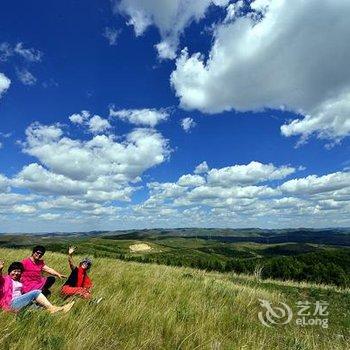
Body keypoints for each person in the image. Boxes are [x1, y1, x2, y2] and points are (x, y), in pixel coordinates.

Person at [0, 259, 74, 313]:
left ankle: (61, 309)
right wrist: (0, 269)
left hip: (20, 302)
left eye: (18, 271)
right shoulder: (5, 279)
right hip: (11, 303)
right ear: (10, 271)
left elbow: (26, 291)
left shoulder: (20, 282)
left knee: (38, 308)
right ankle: (53, 308)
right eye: (14, 271)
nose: (16, 273)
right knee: (36, 292)